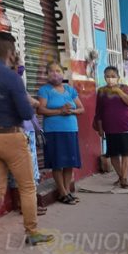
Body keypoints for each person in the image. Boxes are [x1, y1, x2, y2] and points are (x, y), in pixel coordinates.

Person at [0, 32, 53, 245]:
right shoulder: (12, 78)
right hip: (11, 137)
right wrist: (32, 104)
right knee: (28, 187)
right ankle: (32, 232)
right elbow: (25, 113)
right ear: (11, 53)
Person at [37, 61, 84, 205]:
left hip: (70, 130)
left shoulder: (70, 90)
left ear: (63, 74)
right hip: (54, 131)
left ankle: (67, 191)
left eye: (57, 71)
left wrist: (72, 111)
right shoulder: (45, 90)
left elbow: (81, 108)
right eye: (51, 71)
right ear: (47, 74)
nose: (55, 73)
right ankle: (62, 192)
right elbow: (40, 110)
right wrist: (59, 111)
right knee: (57, 163)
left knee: (69, 162)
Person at [7, 54, 47, 216]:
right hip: (18, 131)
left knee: (31, 169)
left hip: (28, 129)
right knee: (24, 170)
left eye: (21, 64)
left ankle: (28, 203)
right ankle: (25, 205)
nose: (21, 67)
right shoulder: (9, 83)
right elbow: (29, 104)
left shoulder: (17, 83)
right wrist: (34, 102)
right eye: (17, 64)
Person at [93, 66, 128, 189]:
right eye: (107, 76)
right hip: (110, 128)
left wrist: (119, 92)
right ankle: (121, 177)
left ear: (118, 77)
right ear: (104, 78)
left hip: (125, 126)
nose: (110, 79)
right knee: (113, 154)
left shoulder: (124, 88)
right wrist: (100, 128)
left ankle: (124, 178)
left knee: (126, 153)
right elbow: (99, 111)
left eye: (113, 76)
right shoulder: (102, 91)